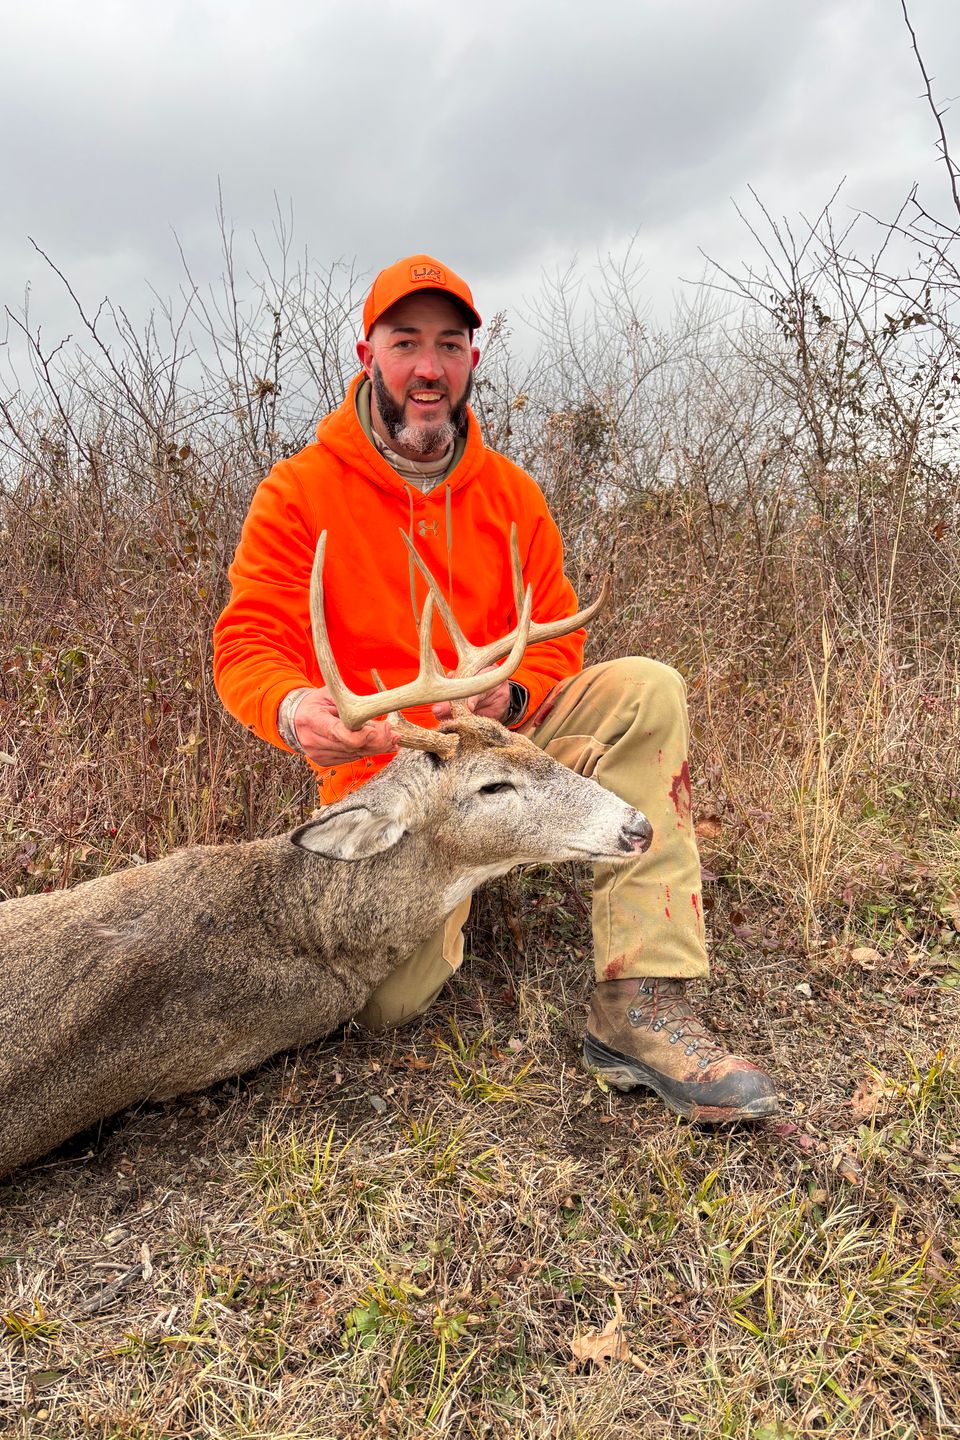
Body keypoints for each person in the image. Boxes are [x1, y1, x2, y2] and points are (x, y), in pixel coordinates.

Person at [213, 253, 778, 1123]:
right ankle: (459, 896)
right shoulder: (299, 493)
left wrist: (512, 701)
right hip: (394, 780)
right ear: (368, 355)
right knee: (385, 1008)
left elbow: (561, 632)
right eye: (407, 344)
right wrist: (296, 711)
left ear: (474, 360)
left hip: (512, 748)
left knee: (647, 688)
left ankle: (643, 1003)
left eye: (449, 344)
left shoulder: (511, 496)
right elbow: (248, 643)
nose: (429, 368)